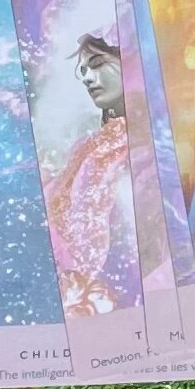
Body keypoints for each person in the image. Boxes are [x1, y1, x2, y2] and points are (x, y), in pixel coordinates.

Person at [42, 33, 134, 315]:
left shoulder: (139, 140)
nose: (87, 78)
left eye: (96, 64)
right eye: (83, 71)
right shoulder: (94, 143)